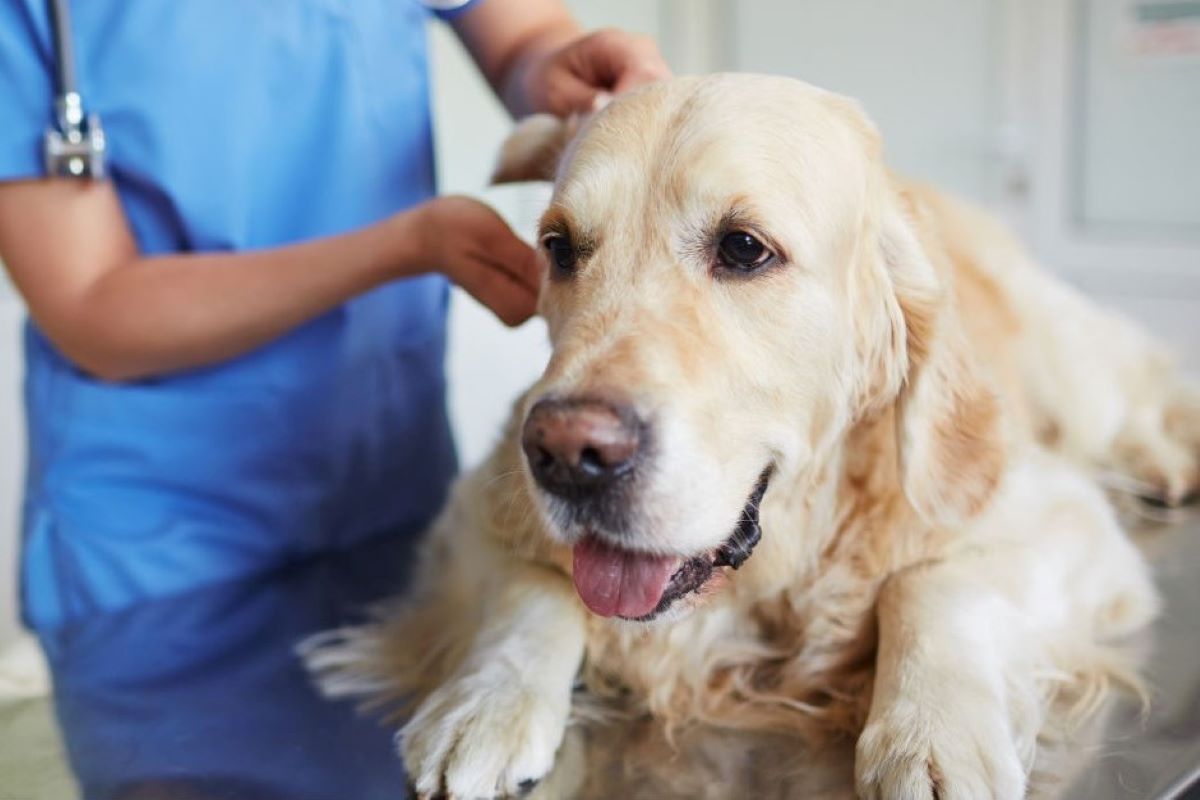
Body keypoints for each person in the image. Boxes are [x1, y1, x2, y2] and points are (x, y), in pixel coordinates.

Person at [0, 0, 670, 629]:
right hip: (156, 542)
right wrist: (408, 245)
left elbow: (523, 41)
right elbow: (91, 304)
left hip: (388, 488)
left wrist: (554, 67)